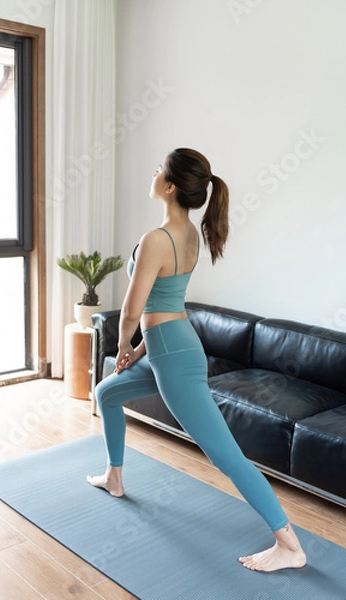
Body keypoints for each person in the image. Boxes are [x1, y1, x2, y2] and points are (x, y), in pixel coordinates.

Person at [87, 148, 306, 572]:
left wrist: (120, 347)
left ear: (170, 186)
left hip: (172, 352)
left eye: (158, 169)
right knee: (107, 393)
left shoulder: (157, 238)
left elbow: (133, 311)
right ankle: (114, 477)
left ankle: (289, 545)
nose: (152, 172)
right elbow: (166, 304)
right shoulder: (188, 235)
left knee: (226, 457)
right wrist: (139, 351)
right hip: (169, 345)